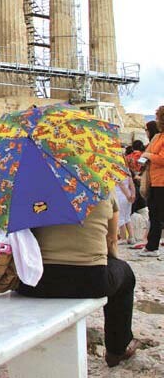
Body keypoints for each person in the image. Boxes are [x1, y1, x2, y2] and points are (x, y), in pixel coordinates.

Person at [18, 197, 139, 368]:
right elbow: (111, 242)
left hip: (35, 281)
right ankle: (117, 349)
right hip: (91, 280)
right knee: (125, 275)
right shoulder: (100, 186)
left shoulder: (33, 190)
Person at [139, 109, 164, 257]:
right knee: (153, 213)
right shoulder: (158, 137)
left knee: (156, 214)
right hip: (155, 180)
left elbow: (162, 159)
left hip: (161, 181)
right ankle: (151, 245)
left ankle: (152, 246)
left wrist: (148, 155)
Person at [115, 174, 135, 244]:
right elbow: (132, 185)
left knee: (120, 218)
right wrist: (132, 195)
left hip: (120, 195)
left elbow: (121, 185)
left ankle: (123, 238)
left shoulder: (116, 171)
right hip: (128, 196)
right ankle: (131, 237)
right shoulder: (127, 170)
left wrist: (128, 196)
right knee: (127, 217)